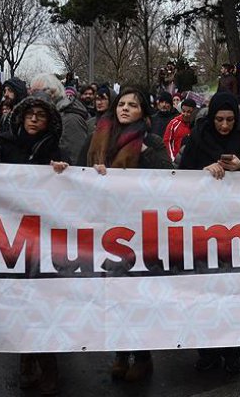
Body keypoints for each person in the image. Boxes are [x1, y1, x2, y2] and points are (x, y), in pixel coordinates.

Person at [0, 94, 67, 395]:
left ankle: (48, 363)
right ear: (20, 117)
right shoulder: (2, 146)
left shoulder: (56, 151)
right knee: (18, 298)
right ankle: (26, 358)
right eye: (30, 114)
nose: (34, 119)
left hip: (45, 236)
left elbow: (73, 190)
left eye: (41, 115)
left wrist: (65, 173)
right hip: (10, 234)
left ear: (49, 121)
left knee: (43, 299)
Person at [81, 87, 172, 383]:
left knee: (137, 294)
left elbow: (169, 176)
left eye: (133, 105)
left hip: (139, 228)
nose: (125, 108)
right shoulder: (97, 138)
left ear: (143, 112)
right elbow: (76, 172)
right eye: (122, 104)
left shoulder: (151, 142)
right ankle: (120, 353)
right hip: (106, 225)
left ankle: (142, 356)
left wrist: (145, 153)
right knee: (113, 293)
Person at [178, 92, 240, 373]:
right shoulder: (197, 138)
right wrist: (203, 173)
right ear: (211, 118)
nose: (224, 125)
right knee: (204, 291)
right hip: (203, 225)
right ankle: (207, 351)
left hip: (235, 226)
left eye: (229, 120)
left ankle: (232, 351)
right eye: (219, 120)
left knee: (232, 292)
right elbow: (181, 177)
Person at [30, 73, 90, 164]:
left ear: (52, 93)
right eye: (31, 92)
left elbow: (75, 159)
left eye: (36, 92)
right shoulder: (54, 115)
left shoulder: (70, 119)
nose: (32, 97)